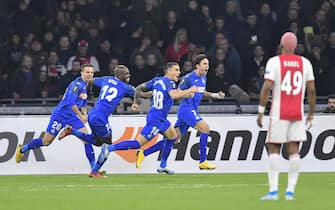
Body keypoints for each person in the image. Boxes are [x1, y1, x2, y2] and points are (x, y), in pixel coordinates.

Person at [90, 62, 198, 176]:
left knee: (173, 137)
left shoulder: (157, 80)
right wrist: (190, 90)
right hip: (156, 119)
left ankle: (162, 166)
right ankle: (110, 148)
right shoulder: (170, 83)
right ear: (169, 71)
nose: (179, 73)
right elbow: (174, 95)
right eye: (176, 70)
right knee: (137, 143)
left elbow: (139, 88)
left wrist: (136, 102)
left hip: (160, 118)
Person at [136, 54, 225, 173]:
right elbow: (177, 93)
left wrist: (215, 95)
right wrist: (188, 93)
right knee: (205, 129)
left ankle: (145, 153)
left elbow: (202, 92)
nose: (207, 66)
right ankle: (203, 161)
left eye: (208, 64)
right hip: (186, 109)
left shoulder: (204, 78)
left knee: (174, 139)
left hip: (191, 110)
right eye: (204, 64)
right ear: (197, 66)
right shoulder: (188, 78)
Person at [257, 32, 316, 201]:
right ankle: (290, 191)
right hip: (297, 113)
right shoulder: (305, 63)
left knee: (274, 148)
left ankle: (274, 191)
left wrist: (261, 111)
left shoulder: (274, 62)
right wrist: (311, 113)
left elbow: (267, 87)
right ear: (296, 46)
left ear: (281, 45)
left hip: (278, 112)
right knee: (294, 151)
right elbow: (311, 90)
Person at [58, 65, 143, 177]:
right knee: (107, 146)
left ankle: (71, 131)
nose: (129, 75)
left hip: (93, 114)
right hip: (100, 118)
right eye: (126, 74)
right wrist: (137, 102)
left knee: (97, 141)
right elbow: (139, 93)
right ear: (120, 75)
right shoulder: (126, 87)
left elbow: (91, 81)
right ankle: (94, 171)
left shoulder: (106, 79)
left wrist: (87, 92)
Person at [15, 64, 96, 172]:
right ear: (81, 73)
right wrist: (81, 115)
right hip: (60, 116)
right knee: (46, 142)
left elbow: (84, 100)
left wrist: (85, 113)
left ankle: (94, 169)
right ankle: (23, 149)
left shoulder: (86, 85)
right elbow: (70, 102)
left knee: (86, 139)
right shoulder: (77, 85)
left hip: (72, 117)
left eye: (91, 72)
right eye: (87, 72)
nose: (90, 74)